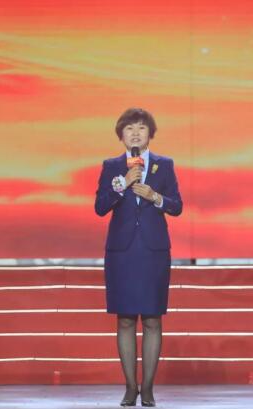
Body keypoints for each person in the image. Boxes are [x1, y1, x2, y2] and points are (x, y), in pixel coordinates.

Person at [95, 108, 183, 407]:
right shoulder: (112, 166)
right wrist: (123, 184)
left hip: (153, 251)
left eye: (141, 128)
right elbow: (100, 207)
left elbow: (177, 206)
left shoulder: (164, 165)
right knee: (125, 320)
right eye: (129, 128)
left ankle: (148, 388)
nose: (135, 133)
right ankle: (130, 387)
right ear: (121, 135)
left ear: (150, 134)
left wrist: (154, 197)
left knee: (153, 319)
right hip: (122, 253)